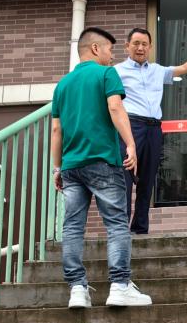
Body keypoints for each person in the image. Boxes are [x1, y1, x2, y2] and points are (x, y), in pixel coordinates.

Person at [51, 27, 153, 308]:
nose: (112, 55)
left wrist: (57, 168)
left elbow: (57, 130)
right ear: (95, 49)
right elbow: (115, 108)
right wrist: (130, 144)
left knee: (72, 227)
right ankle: (119, 285)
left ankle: (77, 289)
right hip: (103, 161)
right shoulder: (107, 74)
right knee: (116, 222)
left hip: (71, 167)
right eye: (109, 49)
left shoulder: (63, 85)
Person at [115, 27, 187, 234]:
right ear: (127, 46)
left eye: (144, 44)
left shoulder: (157, 70)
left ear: (150, 47)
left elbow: (184, 68)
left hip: (154, 128)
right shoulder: (116, 71)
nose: (140, 48)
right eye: (136, 43)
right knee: (123, 178)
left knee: (147, 180)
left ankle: (140, 227)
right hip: (130, 126)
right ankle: (120, 229)